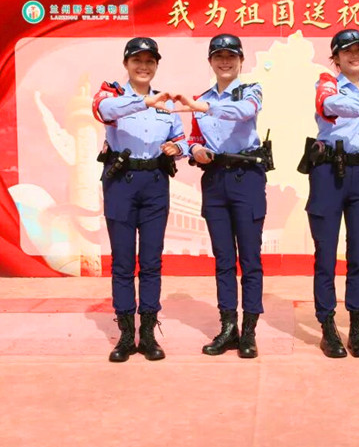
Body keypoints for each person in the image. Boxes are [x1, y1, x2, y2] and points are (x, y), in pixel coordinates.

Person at [300, 29, 359, 358]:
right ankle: (327, 325)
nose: (355, 55)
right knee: (325, 255)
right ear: (336, 58)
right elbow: (330, 104)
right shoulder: (327, 84)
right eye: (347, 51)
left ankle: (357, 325)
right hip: (329, 174)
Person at [92, 37, 188, 363]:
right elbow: (103, 111)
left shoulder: (166, 104)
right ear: (126, 64)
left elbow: (180, 139)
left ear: (156, 65)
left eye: (150, 61)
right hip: (121, 183)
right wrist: (145, 102)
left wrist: (178, 148)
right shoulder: (112, 95)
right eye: (137, 60)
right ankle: (124, 334)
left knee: (151, 262)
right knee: (122, 262)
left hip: (155, 183)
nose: (143, 66)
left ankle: (147, 333)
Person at [172, 33, 268, 359]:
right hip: (214, 181)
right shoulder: (200, 99)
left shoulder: (251, 90)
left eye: (231, 56)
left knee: (250, 259)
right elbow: (194, 138)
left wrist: (202, 106)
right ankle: (228, 327)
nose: (225, 62)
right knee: (224, 259)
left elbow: (243, 112)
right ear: (211, 62)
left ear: (241, 60)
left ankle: (249, 331)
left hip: (246, 178)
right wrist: (195, 150)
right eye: (219, 57)